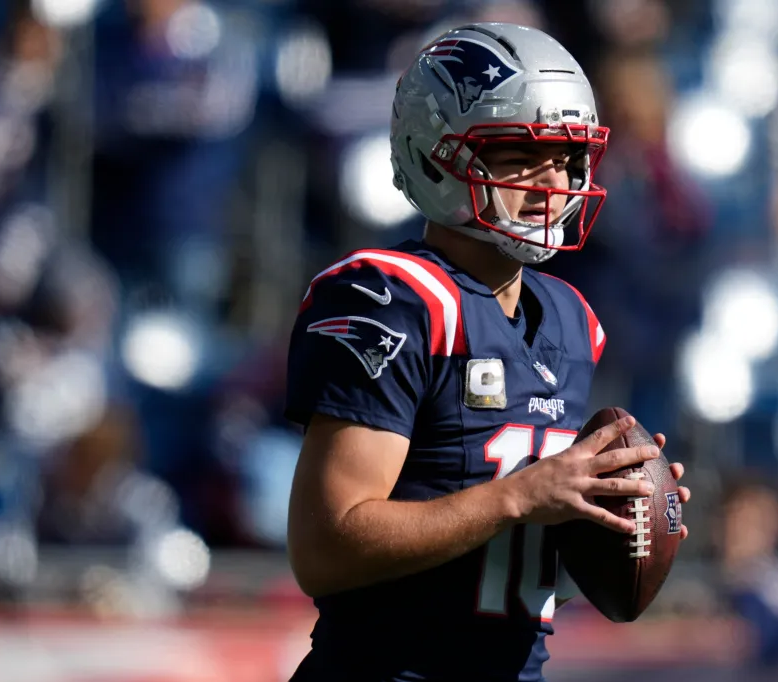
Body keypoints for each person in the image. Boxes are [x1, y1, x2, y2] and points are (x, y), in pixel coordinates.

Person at [284, 23, 690, 682]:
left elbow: (500, 579)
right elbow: (326, 547)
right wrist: (522, 496)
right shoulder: (390, 300)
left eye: (567, 156)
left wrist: (612, 518)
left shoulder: (570, 320)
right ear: (435, 155)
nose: (551, 181)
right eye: (519, 155)